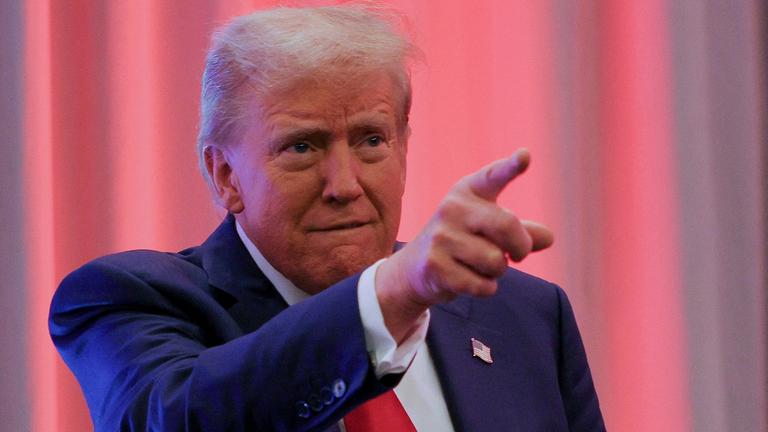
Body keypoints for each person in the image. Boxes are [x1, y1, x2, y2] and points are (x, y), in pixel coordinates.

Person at [50, 5, 605, 431]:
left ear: (404, 146)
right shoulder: (124, 300)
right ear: (225, 176)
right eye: (301, 147)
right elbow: (174, 417)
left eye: (371, 140)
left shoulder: (525, 316)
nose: (345, 185)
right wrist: (387, 298)